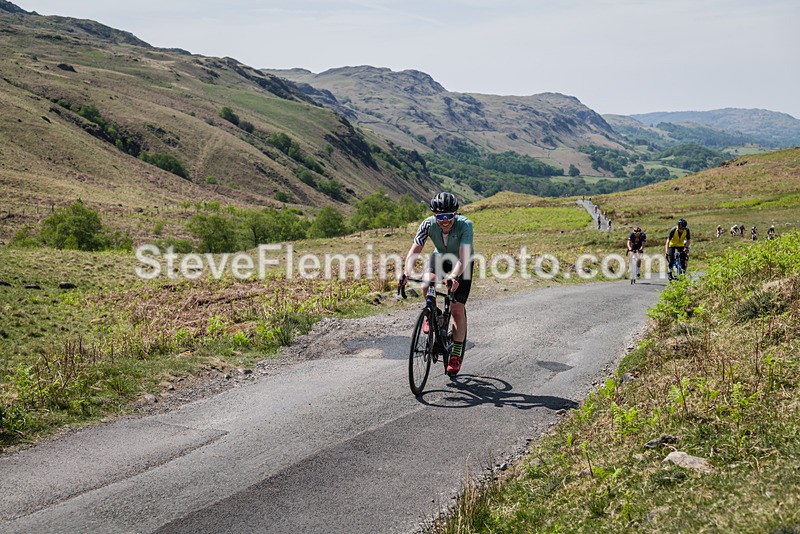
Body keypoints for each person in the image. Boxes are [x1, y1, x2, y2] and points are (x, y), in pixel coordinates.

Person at [399, 192, 473, 376]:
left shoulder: (465, 225)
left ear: (455, 214)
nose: (445, 220)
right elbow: (415, 250)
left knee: (457, 309)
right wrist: (407, 271)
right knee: (426, 283)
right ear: (434, 215)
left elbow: (464, 257)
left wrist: (454, 276)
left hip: (462, 263)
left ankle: (456, 354)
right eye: (440, 216)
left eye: (449, 216)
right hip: (440, 256)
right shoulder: (427, 224)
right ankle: (434, 314)